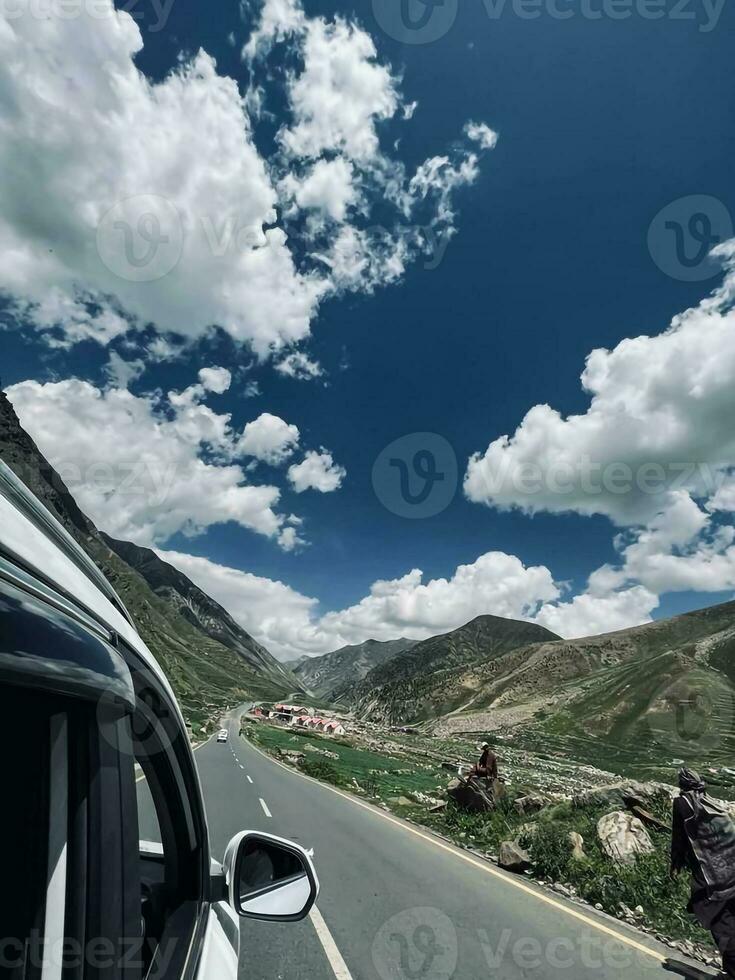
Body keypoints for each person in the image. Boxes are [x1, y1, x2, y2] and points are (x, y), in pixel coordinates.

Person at [671, 767, 735, 977]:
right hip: (731, 869)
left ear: (683, 784)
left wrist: (675, 864)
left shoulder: (682, 803)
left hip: (709, 872)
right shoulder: (711, 803)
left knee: (716, 917)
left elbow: (679, 837)